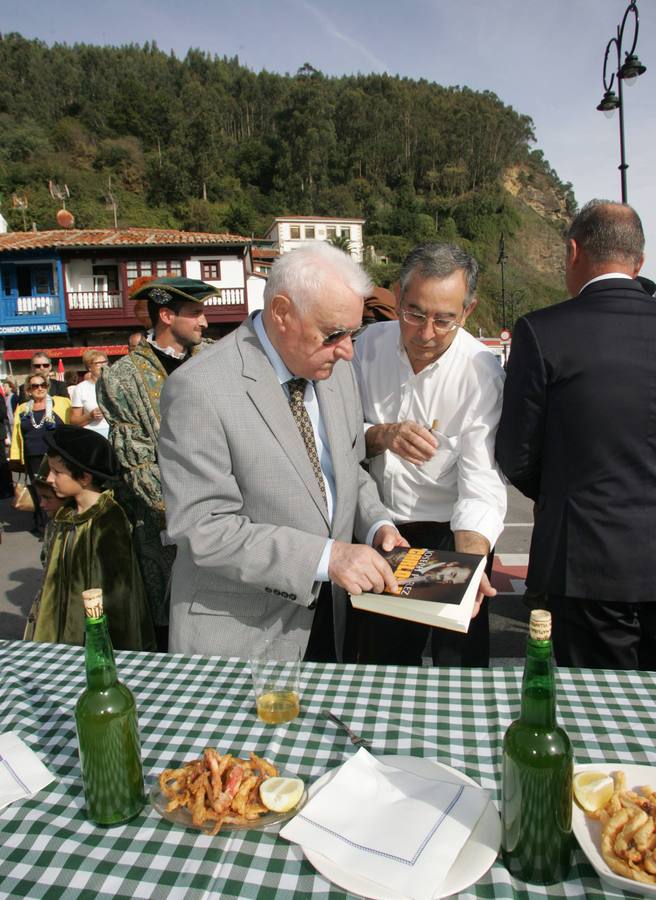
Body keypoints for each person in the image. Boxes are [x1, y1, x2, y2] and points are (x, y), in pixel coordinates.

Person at [158, 243, 406, 661]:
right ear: (281, 312)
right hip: (243, 633)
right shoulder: (199, 388)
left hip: (332, 616)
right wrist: (328, 557)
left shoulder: (335, 369)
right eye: (333, 334)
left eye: (354, 332)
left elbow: (347, 468)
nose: (348, 350)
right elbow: (204, 529)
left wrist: (377, 523)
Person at [496, 199, 656, 671]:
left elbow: (516, 451)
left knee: (598, 713)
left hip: (584, 563)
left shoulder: (544, 331)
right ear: (639, 262)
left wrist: (556, 491)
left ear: (573, 251)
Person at [352, 242, 506, 666]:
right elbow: (338, 434)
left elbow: (481, 483)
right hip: (383, 530)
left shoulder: (480, 371)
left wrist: (470, 568)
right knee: (383, 657)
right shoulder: (366, 348)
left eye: (444, 320)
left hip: (451, 534)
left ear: (468, 312)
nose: (425, 333)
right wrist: (381, 434)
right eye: (415, 313)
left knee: (458, 661)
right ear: (398, 297)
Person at [96, 276, 217, 651]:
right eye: (195, 313)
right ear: (166, 315)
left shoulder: (217, 359)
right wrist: (186, 518)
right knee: (174, 628)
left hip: (228, 515)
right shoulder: (122, 379)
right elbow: (137, 461)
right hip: (164, 526)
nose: (205, 323)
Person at [27, 425, 156, 651]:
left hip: (94, 642)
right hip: (62, 636)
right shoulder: (67, 517)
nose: (49, 477)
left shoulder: (108, 520)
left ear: (85, 477)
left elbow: (118, 598)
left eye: (57, 472)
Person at [10, 373, 71, 535]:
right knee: (40, 491)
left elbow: (71, 425)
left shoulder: (62, 403)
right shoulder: (23, 409)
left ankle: (62, 521)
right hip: (32, 456)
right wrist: (16, 458)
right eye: (35, 386)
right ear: (28, 390)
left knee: (59, 488)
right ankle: (43, 524)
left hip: (55, 454)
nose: (39, 388)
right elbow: (17, 434)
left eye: (42, 385)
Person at [70, 350, 110, 439]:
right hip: (93, 435)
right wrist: (90, 416)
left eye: (104, 362)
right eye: (98, 363)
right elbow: (74, 421)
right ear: (89, 367)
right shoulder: (81, 388)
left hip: (115, 433)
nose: (103, 365)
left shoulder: (116, 384)